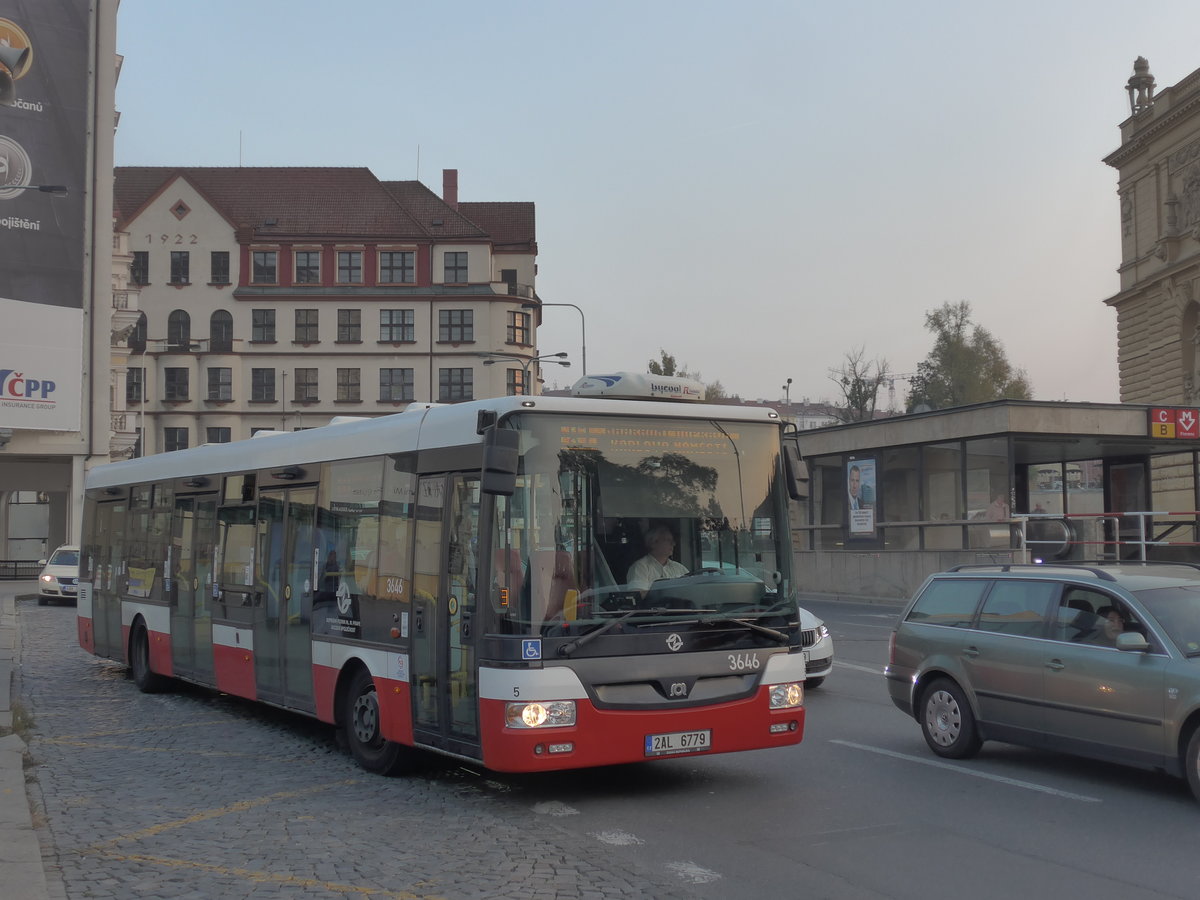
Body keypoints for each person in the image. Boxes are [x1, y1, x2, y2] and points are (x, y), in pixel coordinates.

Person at [626, 525, 688, 592]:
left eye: (672, 540)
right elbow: (638, 596)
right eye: (668, 540)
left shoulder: (679, 568)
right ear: (653, 543)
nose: (673, 544)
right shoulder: (640, 568)